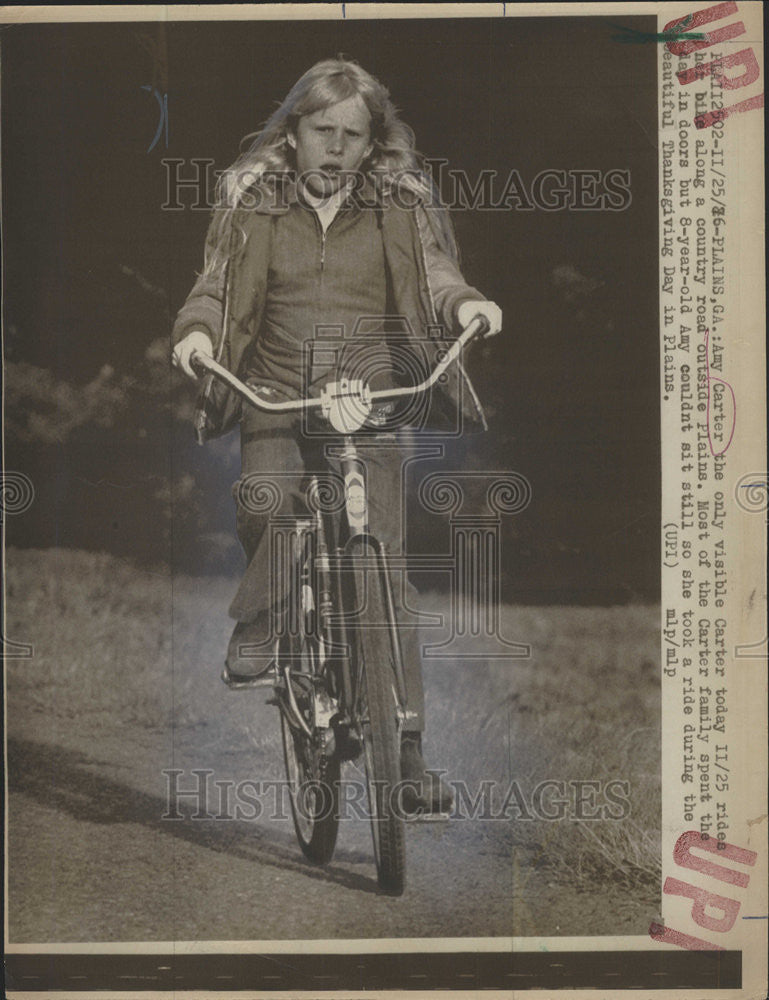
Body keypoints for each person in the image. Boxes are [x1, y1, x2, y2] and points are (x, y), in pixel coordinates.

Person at [172, 57, 502, 813]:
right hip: (278, 395)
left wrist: (467, 306)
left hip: (369, 398)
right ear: (292, 130)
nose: (336, 147)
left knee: (385, 570)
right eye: (322, 130)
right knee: (264, 500)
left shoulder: (397, 203)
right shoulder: (254, 201)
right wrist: (195, 335)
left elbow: (435, 273)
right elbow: (216, 287)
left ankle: (407, 752)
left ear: (370, 141)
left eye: (353, 135)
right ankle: (262, 616)